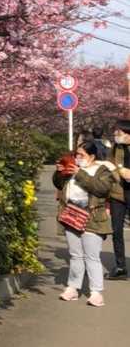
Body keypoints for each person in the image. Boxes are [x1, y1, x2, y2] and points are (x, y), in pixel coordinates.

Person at [53, 138, 114, 306]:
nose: (77, 158)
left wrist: (79, 173)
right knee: (75, 255)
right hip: (71, 215)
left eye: (81, 155)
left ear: (92, 156)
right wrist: (59, 172)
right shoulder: (72, 168)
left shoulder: (102, 170)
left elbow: (101, 189)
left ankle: (96, 292)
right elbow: (59, 184)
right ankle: (72, 288)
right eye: (76, 154)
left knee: (91, 256)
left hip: (92, 217)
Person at [99, 121, 130, 279]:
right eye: (115, 133)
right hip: (117, 195)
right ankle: (120, 266)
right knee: (116, 231)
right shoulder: (115, 148)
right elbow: (109, 166)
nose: (116, 136)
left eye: (119, 133)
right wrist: (117, 172)